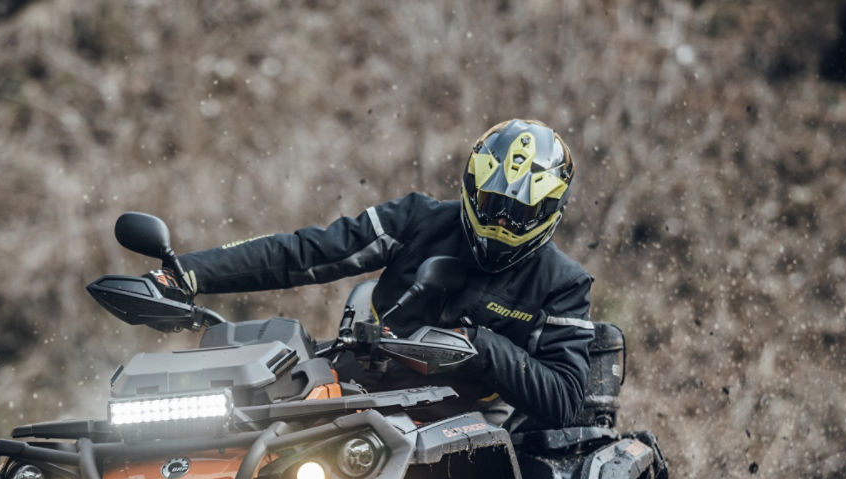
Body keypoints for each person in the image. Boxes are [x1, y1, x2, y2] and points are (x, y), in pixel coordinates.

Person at [146, 119, 596, 428]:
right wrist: (189, 274)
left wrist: (479, 345)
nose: (500, 222)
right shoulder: (420, 218)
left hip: (471, 419)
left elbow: (565, 400)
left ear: (550, 210)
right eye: (491, 204)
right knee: (245, 425)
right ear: (471, 187)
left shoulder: (563, 282)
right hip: (361, 387)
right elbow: (307, 252)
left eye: (518, 213)